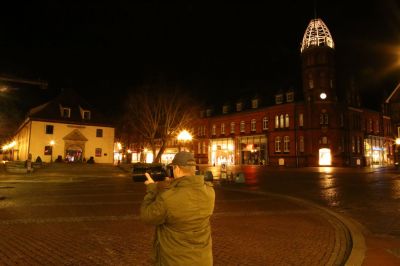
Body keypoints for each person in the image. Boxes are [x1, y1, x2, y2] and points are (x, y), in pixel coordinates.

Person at [140, 151, 215, 266]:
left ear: (177, 169)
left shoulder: (168, 198)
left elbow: (147, 216)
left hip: (174, 261)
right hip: (203, 260)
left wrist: (152, 189)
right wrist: (172, 185)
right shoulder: (210, 192)